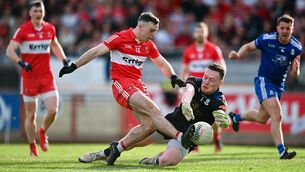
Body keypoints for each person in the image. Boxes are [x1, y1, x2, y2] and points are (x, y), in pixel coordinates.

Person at [59, 12, 195, 165]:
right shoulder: (120, 38)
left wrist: (173, 76)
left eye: (155, 32)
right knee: (154, 111)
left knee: (150, 126)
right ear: (141, 27)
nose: (153, 35)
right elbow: (96, 51)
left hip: (137, 85)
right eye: (151, 31)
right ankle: (181, 137)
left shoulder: (148, 45)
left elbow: (162, 63)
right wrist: (74, 66)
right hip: (121, 84)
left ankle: (112, 150)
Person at [78, 63, 229, 166]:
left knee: (166, 162)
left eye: (211, 80)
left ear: (220, 83)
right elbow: (188, 91)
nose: (206, 81)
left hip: (186, 140)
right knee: (136, 141)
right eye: (206, 77)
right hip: (171, 124)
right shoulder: (196, 81)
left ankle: (154, 160)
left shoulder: (218, 100)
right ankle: (100, 154)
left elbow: (221, 113)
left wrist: (222, 118)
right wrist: (186, 102)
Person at [228, 14, 301, 159]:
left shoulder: (296, 47)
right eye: (282, 28)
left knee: (262, 118)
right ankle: (282, 150)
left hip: (278, 85)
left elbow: (295, 74)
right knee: (277, 114)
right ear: (277, 28)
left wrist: (296, 70)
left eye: (288, 28)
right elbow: (248, 46)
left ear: (292, 30)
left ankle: (236, 117)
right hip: (264, 80)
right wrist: (238, 54)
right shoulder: (267, 39)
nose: (285, 31)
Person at [5, 0, 69, 157]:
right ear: (30, 13)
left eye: (41, 11)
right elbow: (9, 51)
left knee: (53, 110)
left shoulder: (49, 29)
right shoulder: (23, 30)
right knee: (31, 115)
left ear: (44, 12)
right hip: (29, 78)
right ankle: (32, 146)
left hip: (46, 76)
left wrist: (64, 60)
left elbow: (54, 45)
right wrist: (21, 62)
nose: (38, 14)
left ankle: (43, 131)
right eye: (35, 11)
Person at [180, 22, 227, 152]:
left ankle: (217, 137)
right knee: (193, 115)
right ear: (194, 34)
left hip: (210, 89)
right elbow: (184, 71)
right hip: (196, 89)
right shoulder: (188, 51)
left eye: (202, 31)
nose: (200, 34)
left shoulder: (213, 49)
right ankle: (195, 142)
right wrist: (184, 88)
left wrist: (218, 82)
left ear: (206, 33)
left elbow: (222, 66)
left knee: (214, 116)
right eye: (197, 31)